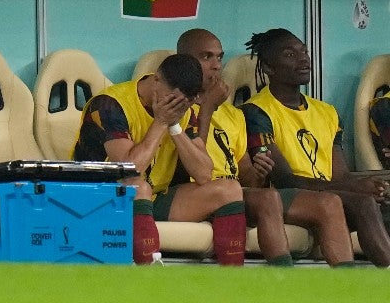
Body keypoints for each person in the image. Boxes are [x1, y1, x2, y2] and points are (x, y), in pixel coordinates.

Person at [177, 29, 354, 266]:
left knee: (270, 195)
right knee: (263, 198)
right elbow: (193, 170)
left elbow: (247, 178)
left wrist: (258, 172)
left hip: (233, 192)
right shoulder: (176, 107)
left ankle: (346, 286)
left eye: (219, 58)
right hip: (196, 193)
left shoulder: (233, 114)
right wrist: (207, 106)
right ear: (183, 62)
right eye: (206, 57)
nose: (216, 66)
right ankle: (281, 279)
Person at [73, 53, 247, 266]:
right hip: (97, 196)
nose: (177, 106)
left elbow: (203, 174)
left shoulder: (182, 110)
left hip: (155, 196)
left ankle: (234, 280)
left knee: (230, 189)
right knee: (138, 187)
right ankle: (150, 278)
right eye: (171, 99)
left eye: (183, 103)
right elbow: (130, 170)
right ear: (156, 80)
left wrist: (174, 126)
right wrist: (160, 122)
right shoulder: (109, 104)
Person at [242, 27, 390, 267]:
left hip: (329, 191)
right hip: (286, 197)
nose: (303, 59)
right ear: (268, 68)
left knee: (376, 200)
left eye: (304, 51)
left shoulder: (327, 112)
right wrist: (356, 192)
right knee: (361, 203)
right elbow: (284, 179)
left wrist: (370, 187)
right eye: (290, 55)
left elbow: (339, 174)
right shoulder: (256, 111)